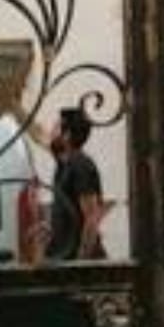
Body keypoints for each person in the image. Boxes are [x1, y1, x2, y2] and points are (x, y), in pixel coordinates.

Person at [44, 106, 108, 262]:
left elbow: (91, 217)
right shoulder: (64, 163)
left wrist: (82, 262)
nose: (51, 131)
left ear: (66, 135)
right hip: (62, 256)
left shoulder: (81, 166)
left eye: (56, 127)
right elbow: (40, 136)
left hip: (75, 259)